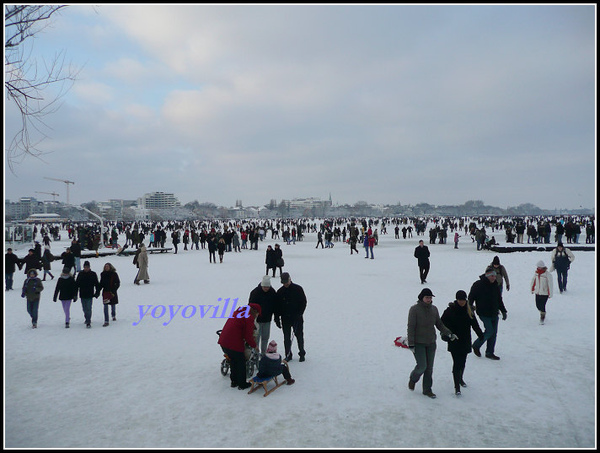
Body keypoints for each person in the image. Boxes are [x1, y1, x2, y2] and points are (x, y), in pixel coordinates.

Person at [407, 288, 455, 399]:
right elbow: (411, 327)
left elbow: (439, 324)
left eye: (430, 297)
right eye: (427, 297)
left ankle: (427, 390)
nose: (429, 299)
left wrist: (448, 333)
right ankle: (413, 378)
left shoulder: (434, 309)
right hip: (418, 343)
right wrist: (411, 343)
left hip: (431, 342)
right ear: (421, 298)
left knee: (429, 368)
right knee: (422, 366)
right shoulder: (414, 310)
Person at [441, 290, 484, 396]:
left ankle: (460, 378)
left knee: (463, 362)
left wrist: (480, 335)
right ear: (457, 300)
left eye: (464, 300)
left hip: (465, 340)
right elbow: (442, 323)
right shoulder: (450, 311)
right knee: (457, 363)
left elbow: (474, 324)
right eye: (460, 300)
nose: (462, 302)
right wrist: (448, 334)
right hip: (454, 340)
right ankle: (457, 387)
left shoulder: (469, 310)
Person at [218, 303, 262, 390]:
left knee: (234, 361)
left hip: (224, 341)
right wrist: (254, 346)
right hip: (233, 343)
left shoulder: (239, 312)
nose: (257, 316)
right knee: (241, 362)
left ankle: (234, 381)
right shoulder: (249, 318)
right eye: (257, 314)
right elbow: (248, 336)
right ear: (255, 312)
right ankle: (242, 384)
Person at [469, 266, 508, 360]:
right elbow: (471, 297)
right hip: (483, 313)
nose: (494, 278)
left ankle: (490, 352)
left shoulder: (495, 285)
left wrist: (503, 310)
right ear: (487, 276)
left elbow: (499, 299)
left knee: (494, 333)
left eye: (494, 276)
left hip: (494, 312)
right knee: (489, 331)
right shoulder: (478, 285)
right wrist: (470, 307)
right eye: (492, 276)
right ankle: (476, 345)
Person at [275, 272, 307, 362]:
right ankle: (288, 354)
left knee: (299, 335)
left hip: (297, 317)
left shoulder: (298, 289)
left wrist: (300, 313)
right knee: (286, 337)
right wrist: (277, 318)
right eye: (283, 283)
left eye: (286, 282)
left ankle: (302, 353)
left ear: (290, 279)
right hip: (285, 318)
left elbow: (303, 302)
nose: (285, 284)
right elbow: (277, 307)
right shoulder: (280, 292)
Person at [248, 275, 277, 354]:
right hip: (257, 321)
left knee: (265, 337)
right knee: (256, 337)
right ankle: (256, 353)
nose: (266, 289)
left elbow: (275, 305)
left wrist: (276, 317)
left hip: (267, 319)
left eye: (267, 287)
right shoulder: (255, 293)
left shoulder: (272, 292)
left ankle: (263, 353)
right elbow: (250, 307)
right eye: (264, 287)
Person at [76, 260, 101, 328]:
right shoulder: (80, 274)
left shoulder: (93, 274)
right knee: (84, 308)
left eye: (87, 267)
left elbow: (97, 284)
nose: (86, 268)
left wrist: (97, 293)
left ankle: (88, 320)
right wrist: (75, 294)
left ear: (89, 267)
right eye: (85, 267)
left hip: (90, 294)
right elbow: (77, 284)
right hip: (82, 294)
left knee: (89, 308)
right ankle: (86, 318)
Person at [531, 260, 553, 324]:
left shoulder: (547, 274)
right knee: (538, 305)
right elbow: (533, 281)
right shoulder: (536, 273)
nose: (538, 268)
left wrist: (550, 293)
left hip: (545, 293)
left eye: (539, 267)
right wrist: (532, 289)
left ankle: (542, 316)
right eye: (538, 267)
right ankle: (542, 312)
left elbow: (550, 284)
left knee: (542, 305)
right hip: (537, 292)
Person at [98, 262, 120, 327]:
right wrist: (98, 290)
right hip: (105, 292)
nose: (106, 268)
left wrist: (114, 290)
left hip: (112, 292)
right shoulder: (102, 274)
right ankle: (106, 320)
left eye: (107, 266)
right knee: (105, 306)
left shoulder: (114, 274)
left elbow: (117, 283)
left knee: (113, 305)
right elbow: (101, 283)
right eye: (105, 267)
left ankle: (113, 315)